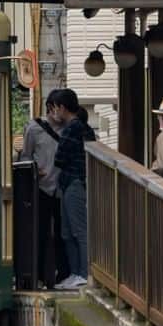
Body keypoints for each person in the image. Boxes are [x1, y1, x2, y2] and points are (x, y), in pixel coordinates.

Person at [19, 90, 70, 289]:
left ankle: (63, 274)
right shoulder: (34, 128)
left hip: (63, 187)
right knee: (39, 232)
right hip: (40, 188)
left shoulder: (70, 128)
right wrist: (33, 168)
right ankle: (39, 275)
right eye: (59, 107)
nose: (61, 112)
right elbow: (25, 156)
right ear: (50, 107)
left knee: (63, 233)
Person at [51, 88, 95, 290]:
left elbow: (59, 159)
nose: (54, 113)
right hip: (78, 182)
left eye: (55, 109)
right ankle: (77, 273)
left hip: (73, 182)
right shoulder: (85, 128)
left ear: (61, 107)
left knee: (76, 230)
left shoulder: (71, 128)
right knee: (70, 231)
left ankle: (83, 273)